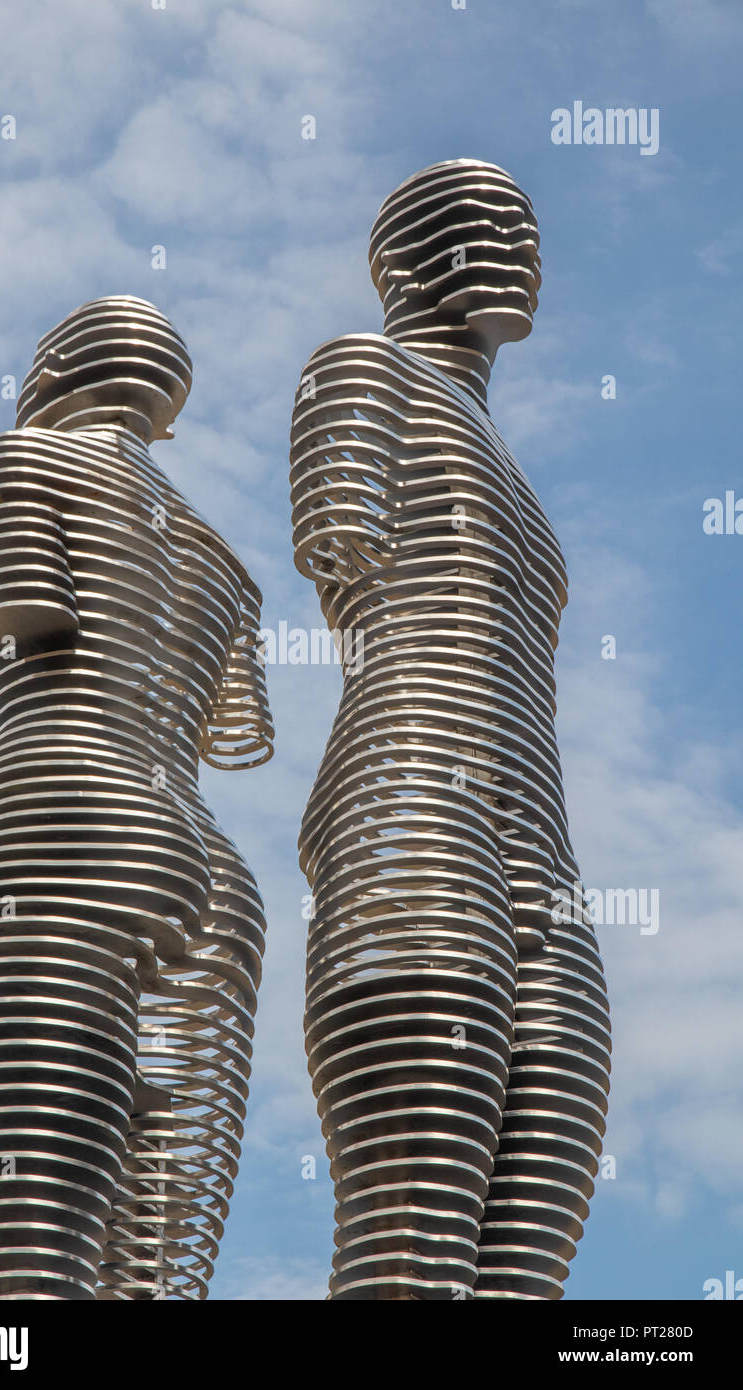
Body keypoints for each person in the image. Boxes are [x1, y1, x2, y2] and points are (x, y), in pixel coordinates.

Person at [290, 161, 611, 1299]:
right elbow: (336, 551)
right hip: (412, 780)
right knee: (410, 1219)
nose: (513, 245)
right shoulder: (360, 370)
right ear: (400, 257)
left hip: (543, 836)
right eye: (476, 221)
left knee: (536, 1227)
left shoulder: (520, 483)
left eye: (525, 227)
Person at [0, 296, 273, 1300]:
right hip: (206, 860)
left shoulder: (19, 460)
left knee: (19, 1269)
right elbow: (231, 735)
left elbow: (23, 604)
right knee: (149, 1282)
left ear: (52, 371)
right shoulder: (222, 561)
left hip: (61, 809)